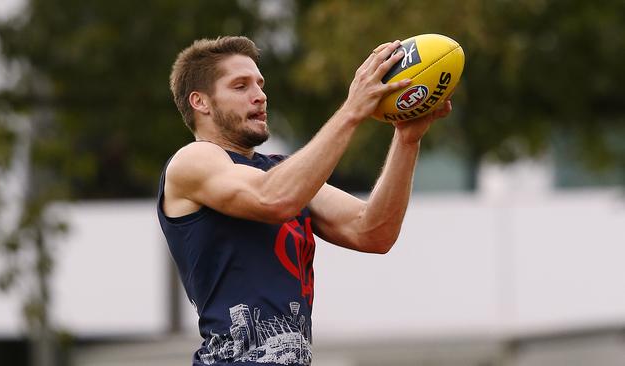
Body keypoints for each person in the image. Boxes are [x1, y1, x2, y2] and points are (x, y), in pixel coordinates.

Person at [157, 36, 452, 366]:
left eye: (260, 83)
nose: (260, 95)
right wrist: (351, 111)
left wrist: (406, 140)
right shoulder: (193, 160)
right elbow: (273, 198)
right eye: (240, 86)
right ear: (201, 102)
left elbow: (373, 231)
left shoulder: (283, 172)